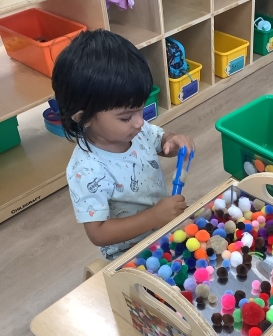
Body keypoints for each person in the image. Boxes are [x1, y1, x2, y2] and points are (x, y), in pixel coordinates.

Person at [52, 30, 194, 260]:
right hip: (130, 252)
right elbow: (98, 233)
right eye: (126, 116)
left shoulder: (136, 130)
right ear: (83, 117)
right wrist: (154, 217)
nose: (140, 121)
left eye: (140, 108)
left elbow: (161, 142)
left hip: (163, 226)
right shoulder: (87, 170)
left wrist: (174, 141)